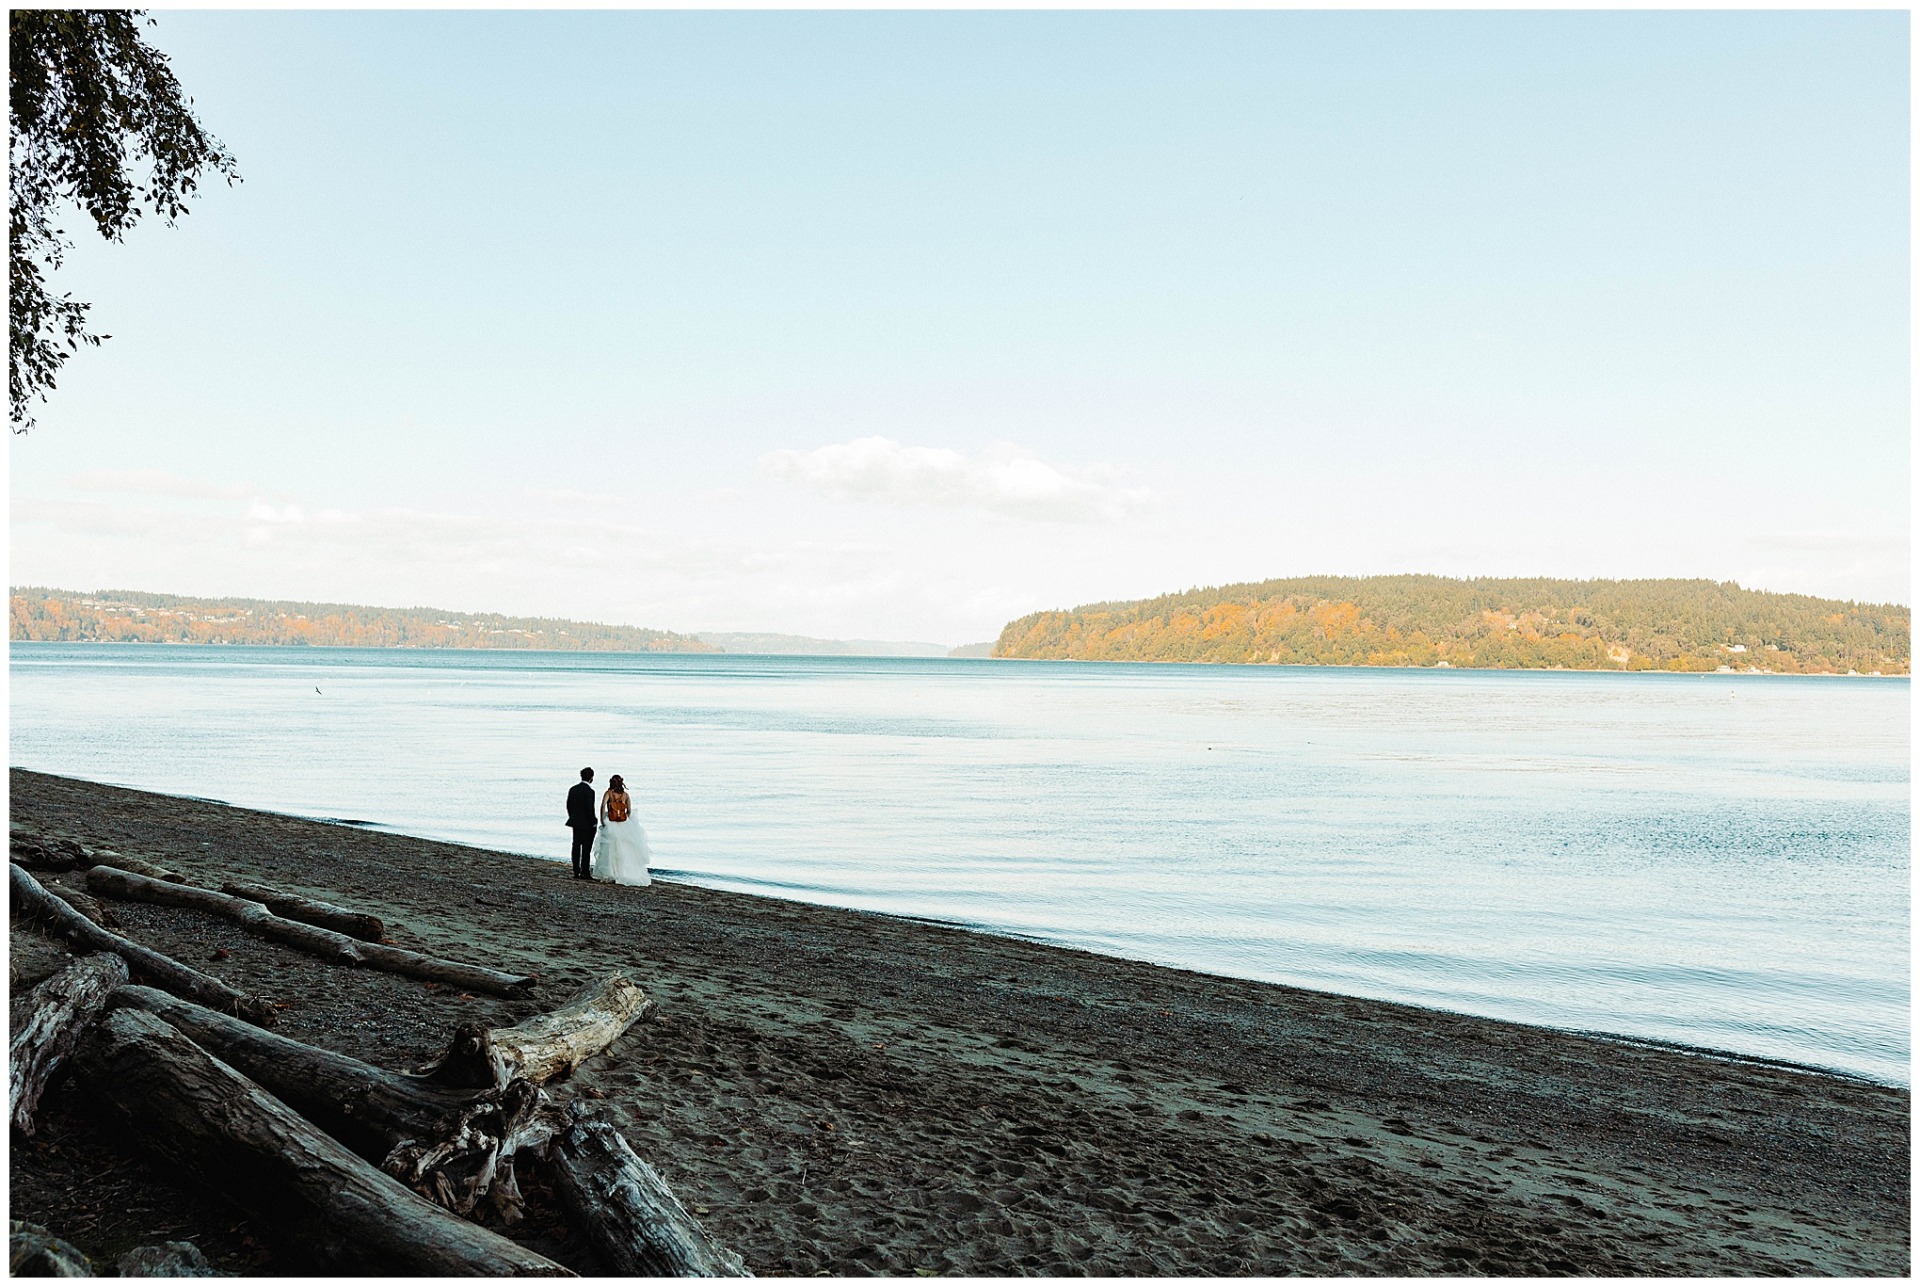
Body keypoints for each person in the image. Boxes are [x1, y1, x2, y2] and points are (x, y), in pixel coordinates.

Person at [591, 773, 652, 887]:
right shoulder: (625, 795)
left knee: (610, 849)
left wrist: (602, 819)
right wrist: (624, 818)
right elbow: (628, 810)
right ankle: (624, 872)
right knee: (624, 849)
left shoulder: (608, 793)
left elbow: (603, 805)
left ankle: (610, 873)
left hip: (611, 823)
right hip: (623, 824)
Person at [565, 767, 596, 880]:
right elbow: (590, 808)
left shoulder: (573, 789)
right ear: (591, 778)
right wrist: (593, 821)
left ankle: (576, 870)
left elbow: (568, 805)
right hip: (587, 823)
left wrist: (572, 816)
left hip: (576, 821)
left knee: (576, 846)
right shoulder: (590, 792)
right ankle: (585, 871)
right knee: (586, 848)